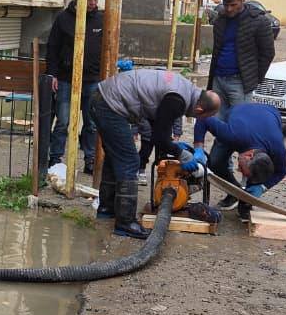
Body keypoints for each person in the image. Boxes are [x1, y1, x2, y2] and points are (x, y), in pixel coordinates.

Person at [87, 68, 221, 239]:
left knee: (116, 157)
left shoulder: (184, 90)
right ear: (200, 109)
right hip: (109, 104)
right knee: (129, 161)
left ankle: (107, 209)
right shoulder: (177, 100)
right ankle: (125, 223)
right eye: (200, 117)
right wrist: (180, 153)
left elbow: (158, 125)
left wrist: (171, 144)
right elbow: (159, 137)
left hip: (103, 97)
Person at [206, 0, 275, 208]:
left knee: (244, 138)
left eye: (233, 5)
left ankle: (248, 193)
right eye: (226, 5)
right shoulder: (221, 19)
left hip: (240, 82)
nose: (229, 9)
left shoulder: (258, 21)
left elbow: (267, 53)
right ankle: (232, 190)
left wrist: (253, 79)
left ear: (242, 1)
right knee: (222, 134)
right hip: (219, 79)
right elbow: (216, 51)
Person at [189, 102, 286, 223]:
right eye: (241, 168)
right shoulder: (231, 134)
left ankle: (246, 200)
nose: (238, 170)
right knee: (215, 162)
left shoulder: (278, 149)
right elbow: (203, 118)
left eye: (241, 169)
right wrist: (198, 149)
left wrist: (262, 187)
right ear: (249, 155)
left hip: (269, 114)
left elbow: (282, 171)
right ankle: (234, 193)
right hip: (239, 112)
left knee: (258, 176)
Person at [45, 0, 104, 173]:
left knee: (91, 123)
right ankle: (55, 159)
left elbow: (107, 49)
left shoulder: (101, 20)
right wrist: (52, 73)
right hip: (65, 78)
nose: (93, 3)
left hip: (92, 80)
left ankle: (90, 160)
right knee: (63, 121)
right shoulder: (63, 18)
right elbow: (52, 48)